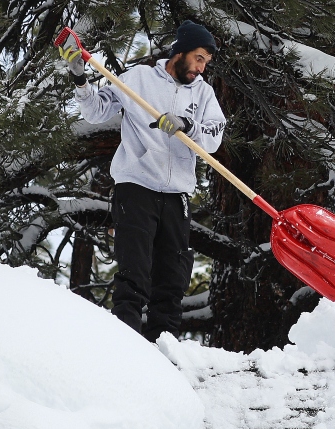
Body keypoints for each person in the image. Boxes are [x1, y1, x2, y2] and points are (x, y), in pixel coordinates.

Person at [63, 20, 227, 342]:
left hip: (177, 196)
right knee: (134, 273)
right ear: (180, 51)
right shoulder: (137, 79)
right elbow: (95, 111)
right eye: (198, 58)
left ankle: (162, 354)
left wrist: (188, 126)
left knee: (172, 280)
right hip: (135, 188)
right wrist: (80, 78)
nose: (201, 68)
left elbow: (214, 135)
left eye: (205, 62)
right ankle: (127, 348)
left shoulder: (204, 94)